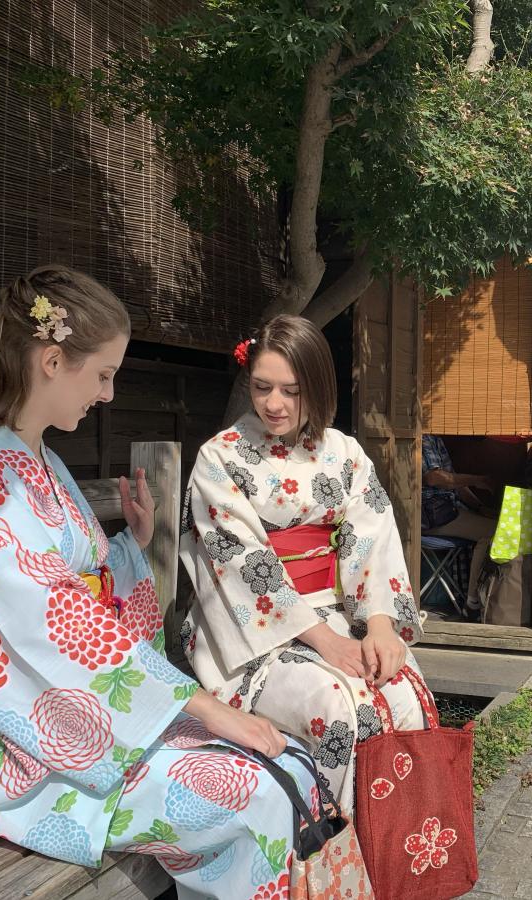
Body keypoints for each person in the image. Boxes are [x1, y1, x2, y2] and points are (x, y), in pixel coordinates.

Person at [0, 265, 313, 898]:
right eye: (104, 374)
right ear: (53, 360)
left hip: (78, 709)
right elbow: (49, 621)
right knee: (252, 794)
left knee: (294, 765)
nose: (110, 395)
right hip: (21, 739)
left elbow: (68, 592)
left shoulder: (34, 455)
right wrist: (200, 707)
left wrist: (131, 549)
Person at [179, 315, 426, 814]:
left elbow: (373, 537)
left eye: (291, 390)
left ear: (317, 386)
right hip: (255, 630)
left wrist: (379, 625)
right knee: (336, 705)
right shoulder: (220, 458)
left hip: (342, 611)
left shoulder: (345, 453)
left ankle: (400, 848)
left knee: (404, 692)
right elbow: (242, 564)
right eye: (262, 387)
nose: (274, 403)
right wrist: (327, 642)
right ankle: (334, 850)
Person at [421, 434, 497, 618]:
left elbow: (455, 484)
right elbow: (434, 478)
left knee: (497, 525)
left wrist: (480, 507)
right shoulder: (423, 438)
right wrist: (476, 480)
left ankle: (477, 598)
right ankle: (472, 603)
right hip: (432, 516)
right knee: (495, 532)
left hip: (448, 511)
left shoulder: (436, 438)